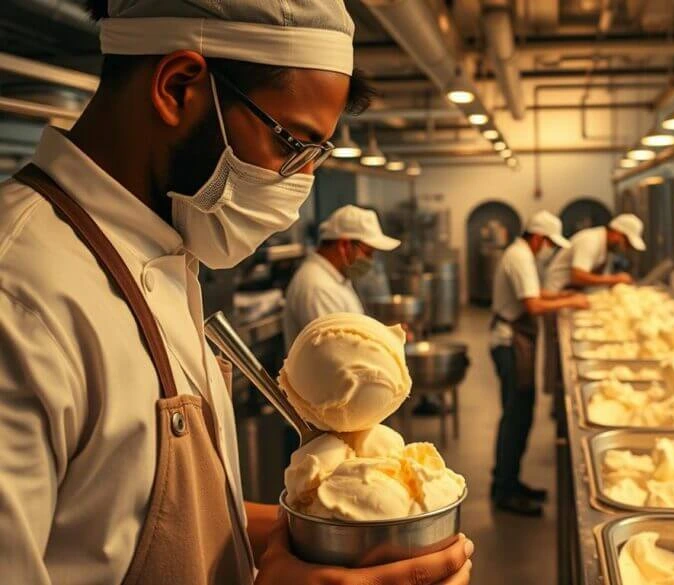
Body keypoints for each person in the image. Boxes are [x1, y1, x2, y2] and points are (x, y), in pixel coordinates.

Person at [0, 1, 474, 584]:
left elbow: (129, 525)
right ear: (178, 87)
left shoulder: (158, 255)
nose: (299, 184)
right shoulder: (18, 296)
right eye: (292, 144)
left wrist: (324, 535)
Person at [490, 211, 590, 516]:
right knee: (516, 415)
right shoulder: (519, 257)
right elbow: (532, 305)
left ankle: (511, 481)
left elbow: (535, 293)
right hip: (509, 344)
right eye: (548, 242)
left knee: (522, 414)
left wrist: (562, 295)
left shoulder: (522, 255)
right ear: (537, 237)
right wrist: (569, 302)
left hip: (516, 343)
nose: (548, 248)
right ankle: (504, 489)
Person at [284, 205, 401, 348]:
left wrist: (384, 334)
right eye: (368, 253)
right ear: (344, 245)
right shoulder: (318, 288)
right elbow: (339, 353)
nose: (370, 261)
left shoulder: (336, 278)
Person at [543, 213, 648, 292]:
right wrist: (615, 279)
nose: (625, 249)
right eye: (626, 243)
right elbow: (577, 276)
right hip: (557, 291)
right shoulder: (590, 240)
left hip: (572, 293)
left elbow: (600, 279)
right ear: (617, 232)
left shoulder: (607, 249)